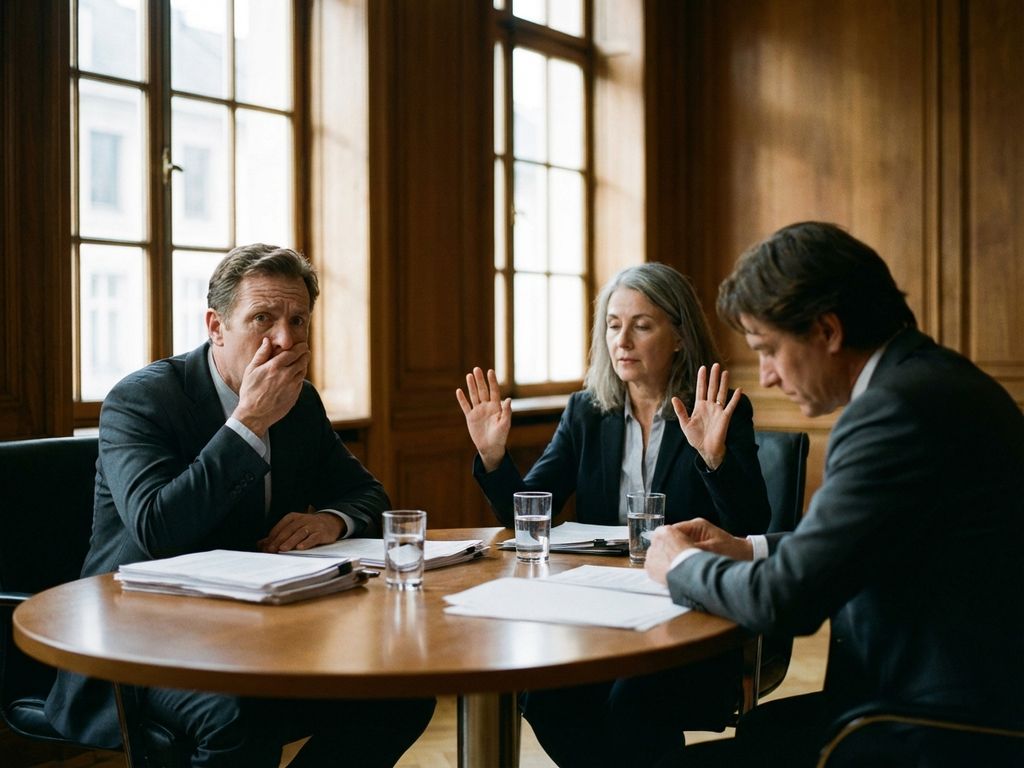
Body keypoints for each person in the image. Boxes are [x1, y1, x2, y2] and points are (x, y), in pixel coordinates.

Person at [646, 222, 1024, 767]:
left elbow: (786, 601)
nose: (768, 376)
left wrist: (679, 565)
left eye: (769, 348)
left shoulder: (894, 411)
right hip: (952, 697)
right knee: (755, 731)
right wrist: (745, 546)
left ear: (827, 331)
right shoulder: (928, 381)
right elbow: (870, 534)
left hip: (938, 726)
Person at [45, 244, 435, 767]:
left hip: (263, 630)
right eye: (262, 318)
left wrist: (328, 519)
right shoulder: (141, 401)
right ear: (216, 326)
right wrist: (248, 422)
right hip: (139, 640)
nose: (285, 339)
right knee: (240, 716)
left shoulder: (302, 402)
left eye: (299, 320)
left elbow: (368, 494)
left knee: (400, 696)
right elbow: (158, 529)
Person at [456, 262, 771, 766]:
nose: (622, 339)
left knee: (633, 702)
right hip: (598, 609)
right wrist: (495, 460)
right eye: (612, 323)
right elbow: (530, 516)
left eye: (642, 325)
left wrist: (714, 460)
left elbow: (750, 524)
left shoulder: (718, 408)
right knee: (545, 695)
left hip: (687, 614)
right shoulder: (587, 410)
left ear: (680, 337)